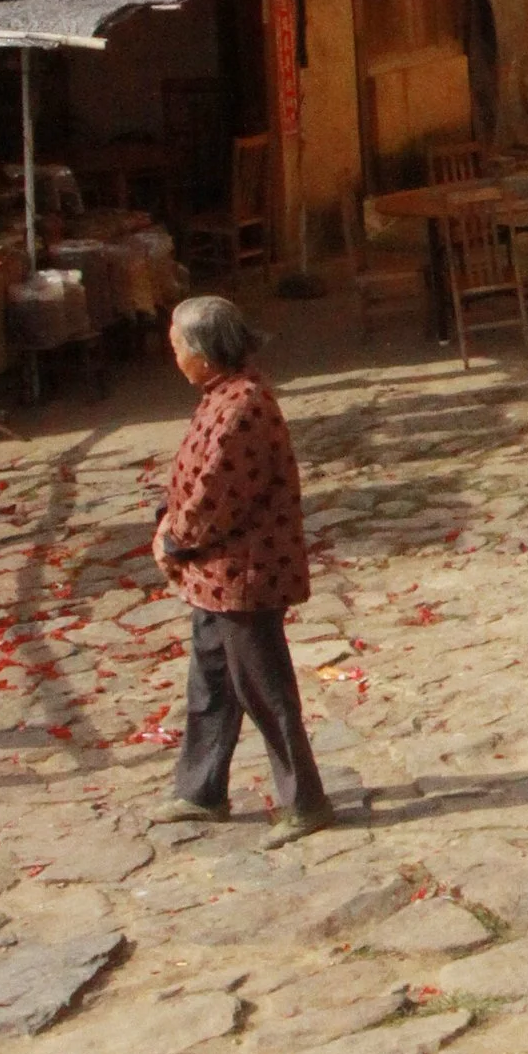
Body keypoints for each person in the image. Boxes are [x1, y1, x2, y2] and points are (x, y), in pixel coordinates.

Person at [151, 295, 338, 838]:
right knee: (210, 685)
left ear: (205, 354)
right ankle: (201, 790)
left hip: (244, 576)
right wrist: (169, 524)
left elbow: (216, 496)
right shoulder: (222, 396)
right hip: (215, 577)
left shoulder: (241, 408)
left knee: (265, 690)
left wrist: (174, 540)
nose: (175, 356)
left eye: (178, 347)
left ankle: (305, 801)